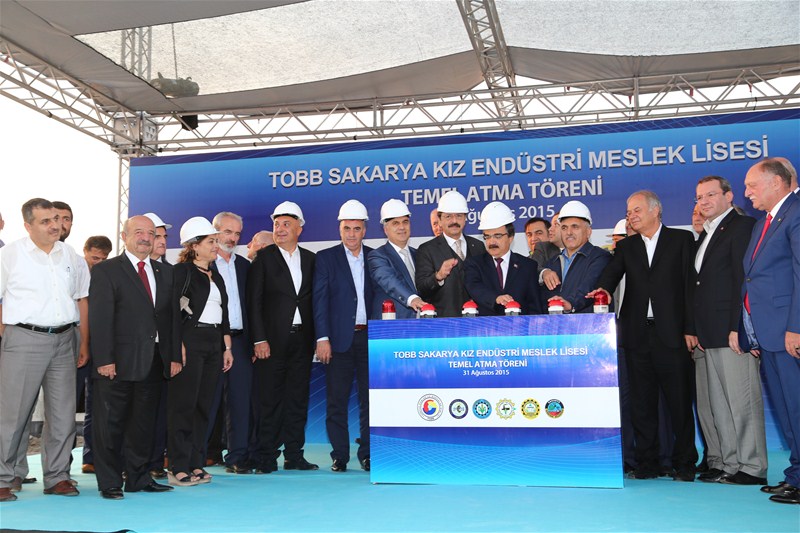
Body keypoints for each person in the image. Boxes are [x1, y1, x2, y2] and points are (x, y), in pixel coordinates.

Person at [589, 190, 698, 482]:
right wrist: (602, 289)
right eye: (628, 212)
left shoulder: (681, 239)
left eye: (636, 210)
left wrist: (690, 328)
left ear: (655, 210)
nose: (631, 216)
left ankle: (685, 463)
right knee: (642, 404)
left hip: (673, 334)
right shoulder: (627, 246)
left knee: (679, 403)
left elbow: (690, 286)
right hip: (637, 335)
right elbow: (611, 274)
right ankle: (647, 462)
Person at [0, 198, 89, 502]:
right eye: (45, 221)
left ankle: (58, 477)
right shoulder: (10, 255)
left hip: (64, 339)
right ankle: (4, 477)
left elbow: (79, 297)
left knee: (63, 414)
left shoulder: (70, 254)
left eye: (56, 219)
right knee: (13, 414)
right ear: (28, 226)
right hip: (23, 338)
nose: (54, 226)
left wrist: (82, 342)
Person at [88, 215, 180, 499]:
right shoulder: (107, 270)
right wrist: (104, 359)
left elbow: (171, 319)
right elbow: (100, 318)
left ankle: (138, 478)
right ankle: (110, 481)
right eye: (138, 232)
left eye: (151, 233)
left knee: (143, 425)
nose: (145, 238)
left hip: (153, 361)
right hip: (116, 362)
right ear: (124, 236)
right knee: (110, 424)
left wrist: (173, 356)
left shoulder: (165, 272)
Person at [689, 175, 765, 485]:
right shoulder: (706, 234)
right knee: (720, 404)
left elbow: (741, 280)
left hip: (731, 332)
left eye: (710, 195)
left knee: (742, 402)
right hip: (709, 333)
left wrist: (738, 326)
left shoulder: (741, 226)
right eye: (699, 197)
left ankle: (752, 466)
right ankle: (731, 463)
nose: (703, 202)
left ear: (729, 196)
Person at [738, 158, 800, 505]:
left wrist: (796, 328)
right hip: (769, 333)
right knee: (788, 410)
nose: (747, 192)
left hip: (789, 333)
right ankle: (796, 475)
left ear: (777, 182)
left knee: (797, 406)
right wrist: (751, 329)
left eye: (752, 185)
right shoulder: (766, 221)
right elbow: (751, 278)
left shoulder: (796, 213)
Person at [248, 202, 317, 473]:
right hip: (271, 343)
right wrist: (259, 339)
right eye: (276, 224)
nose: (280, 229)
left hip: (302, 340)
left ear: (299, 228)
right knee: (269, 400)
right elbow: (253, 302)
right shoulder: (263, 258)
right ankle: (266, 456)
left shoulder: (311, 259)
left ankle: (294, 455)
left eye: (286, 224)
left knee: (297, 400)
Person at [168, 217, 233, 486]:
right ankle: (177, 465)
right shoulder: (181, 272)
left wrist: (227, 347)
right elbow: (172, 312)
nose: (216, 245)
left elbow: (224, 314)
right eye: (211, 241)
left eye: (216, 241)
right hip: (190, 341)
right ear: (194, 246)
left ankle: (196, 462)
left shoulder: (216, 275)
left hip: (213, 342)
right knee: (184, 405)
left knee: (204, 406)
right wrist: (179, 343)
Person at [313, 200, 373, 472]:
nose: (351, 234)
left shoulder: (375, 257)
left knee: (369, 401)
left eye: (356, 229)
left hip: (369, 339)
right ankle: (339, 455)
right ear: (339, 229)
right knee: (336, 401)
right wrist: (322, 338)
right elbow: (320, 301)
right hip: (337, 341)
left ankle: (368, 454)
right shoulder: (326, 258)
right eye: (346, 228)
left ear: (364, 230)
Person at [207, 212, 254, 474]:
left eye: (237, 233)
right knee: (206, 401)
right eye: (228, 232)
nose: (233, 238)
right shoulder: (202, 264)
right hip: (209, 342)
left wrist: (255, 341)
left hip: (240, 342)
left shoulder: (245, 266)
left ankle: (237, 456)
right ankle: (195, 457)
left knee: (240, 402)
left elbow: (254, 307)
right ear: (215, 233)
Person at [464, 202, 542, 316]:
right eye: (487, 236)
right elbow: (474, 288)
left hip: (519, 326)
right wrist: (495, 298)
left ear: (511, 237)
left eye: (497, 236)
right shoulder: (474, 264)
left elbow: (534, 305)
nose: (491, 242)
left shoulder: (528, 266)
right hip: (485, 326)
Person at [415, 191, 484, 317]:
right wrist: (438, 277)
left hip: (476, 322)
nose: (454, 221)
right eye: (448, 217)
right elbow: (422, 290)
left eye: (459, 216)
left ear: (465, 218)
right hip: (443, 323)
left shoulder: (478, 246)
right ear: (440, 220)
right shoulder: (427, 250)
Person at [141, 212, 173, 478]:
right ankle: (134, 465)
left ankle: (154, 462)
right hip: (137, 354)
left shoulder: (169, 271)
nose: (161, 241)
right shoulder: (128, 270)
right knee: (138, 412)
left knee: (161, 410)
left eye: (164, 236)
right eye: (156, 235)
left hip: (163, 353)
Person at [78, 234, 112, 475]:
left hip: (99, 348)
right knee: (65, 405)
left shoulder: (107, 275)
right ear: (85, 251)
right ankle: (60, 465)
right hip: (74, 346)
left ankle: (90, 456)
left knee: (96, 405)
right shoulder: (74, 272)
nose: (98, 262)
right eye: (94, 258)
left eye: (103, 259)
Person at [539, 201, 612, 313]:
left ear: (588, 232)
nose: (569, 232)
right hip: (555, 323)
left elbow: (588, 287)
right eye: (564, 228)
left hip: (587, 323)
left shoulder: (600, 257)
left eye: (575, 227)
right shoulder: (552, 263)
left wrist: (570, 303)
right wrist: (543, 272)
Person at [368, 199, 427, 319]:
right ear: (385, 229)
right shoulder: (377, 256)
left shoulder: (419, 254)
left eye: (405, 222)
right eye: (395, 223)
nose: (402, 227)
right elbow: (390, 281)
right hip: (392, 326)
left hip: (421, 324)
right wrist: (412, 299)